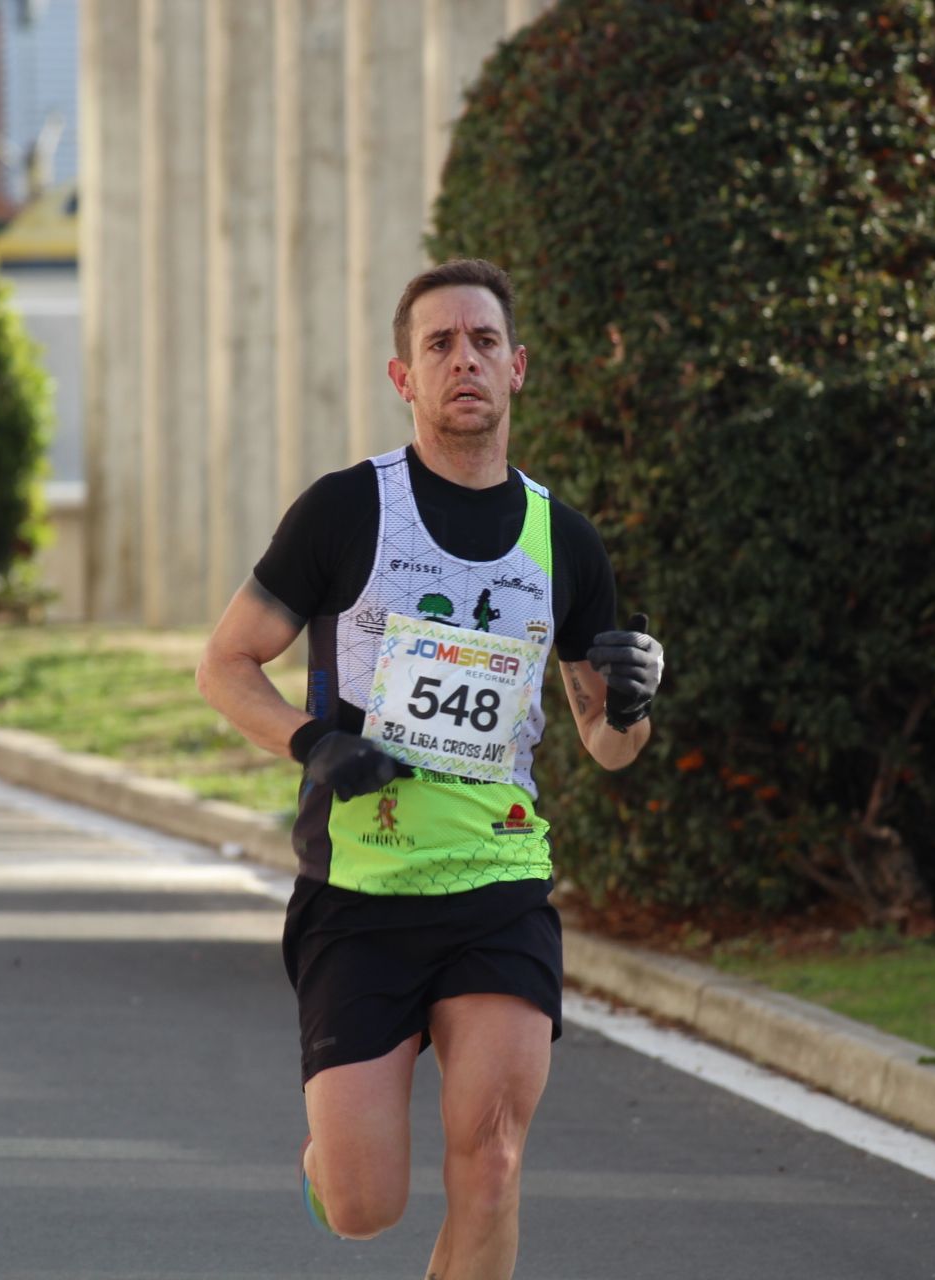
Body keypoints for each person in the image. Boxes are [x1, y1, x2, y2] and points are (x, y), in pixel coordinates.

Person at [197, 257, 663, 1279]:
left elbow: (605, 740)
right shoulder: (345, 512)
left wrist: (628, 699)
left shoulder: (563, 540)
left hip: (498, 881)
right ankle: (332, 1159)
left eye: (484, 342)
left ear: (518, 367)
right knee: (368, 1204)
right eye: (440, 344)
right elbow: (226, 662)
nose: (466, 361)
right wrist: (313, 741)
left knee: (492, 1160)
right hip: (360, 889)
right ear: (403, 376)